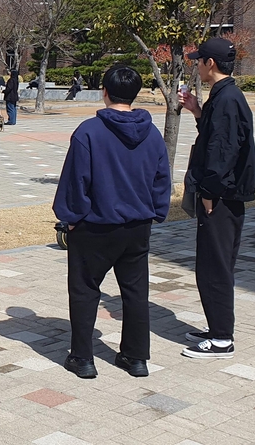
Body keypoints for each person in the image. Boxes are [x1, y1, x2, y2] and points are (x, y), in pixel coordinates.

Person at [53, 66, 170, 379]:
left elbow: (76, 180)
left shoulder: (89, 131)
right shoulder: (153, 133)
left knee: (84, 290)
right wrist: (157, 210)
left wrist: (70, 217)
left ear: (104, 91)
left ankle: (82, 357)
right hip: (138, 226)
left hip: (95, 225)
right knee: (135, 293)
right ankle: (135, 358)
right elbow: (161, 178)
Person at [178, 37, 255, 360]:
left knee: (216, 266)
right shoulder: (222, 96)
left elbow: (222, 152)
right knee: (211, 263)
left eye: (199, 61)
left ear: (210, 64)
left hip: (221, 197)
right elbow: (214, 137)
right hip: (221, 194)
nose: (197, 66)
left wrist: (210, 192)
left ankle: (222, 337)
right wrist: (197, 112)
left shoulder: (227, 99)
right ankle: (216, 327)